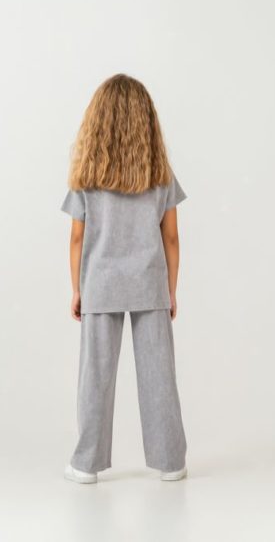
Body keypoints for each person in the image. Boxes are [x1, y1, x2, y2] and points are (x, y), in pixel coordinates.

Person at [61, 74, 187, 484]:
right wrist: (171, 289)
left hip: (100, 284)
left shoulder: (87, 174)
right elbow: (171, 237)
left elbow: (77, 237)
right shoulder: (160, 174)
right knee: (159, 375)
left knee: (95, 377)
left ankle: (86, 465)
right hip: (150, 283)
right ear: (146, 119)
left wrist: (77, 289)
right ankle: (171, 462)